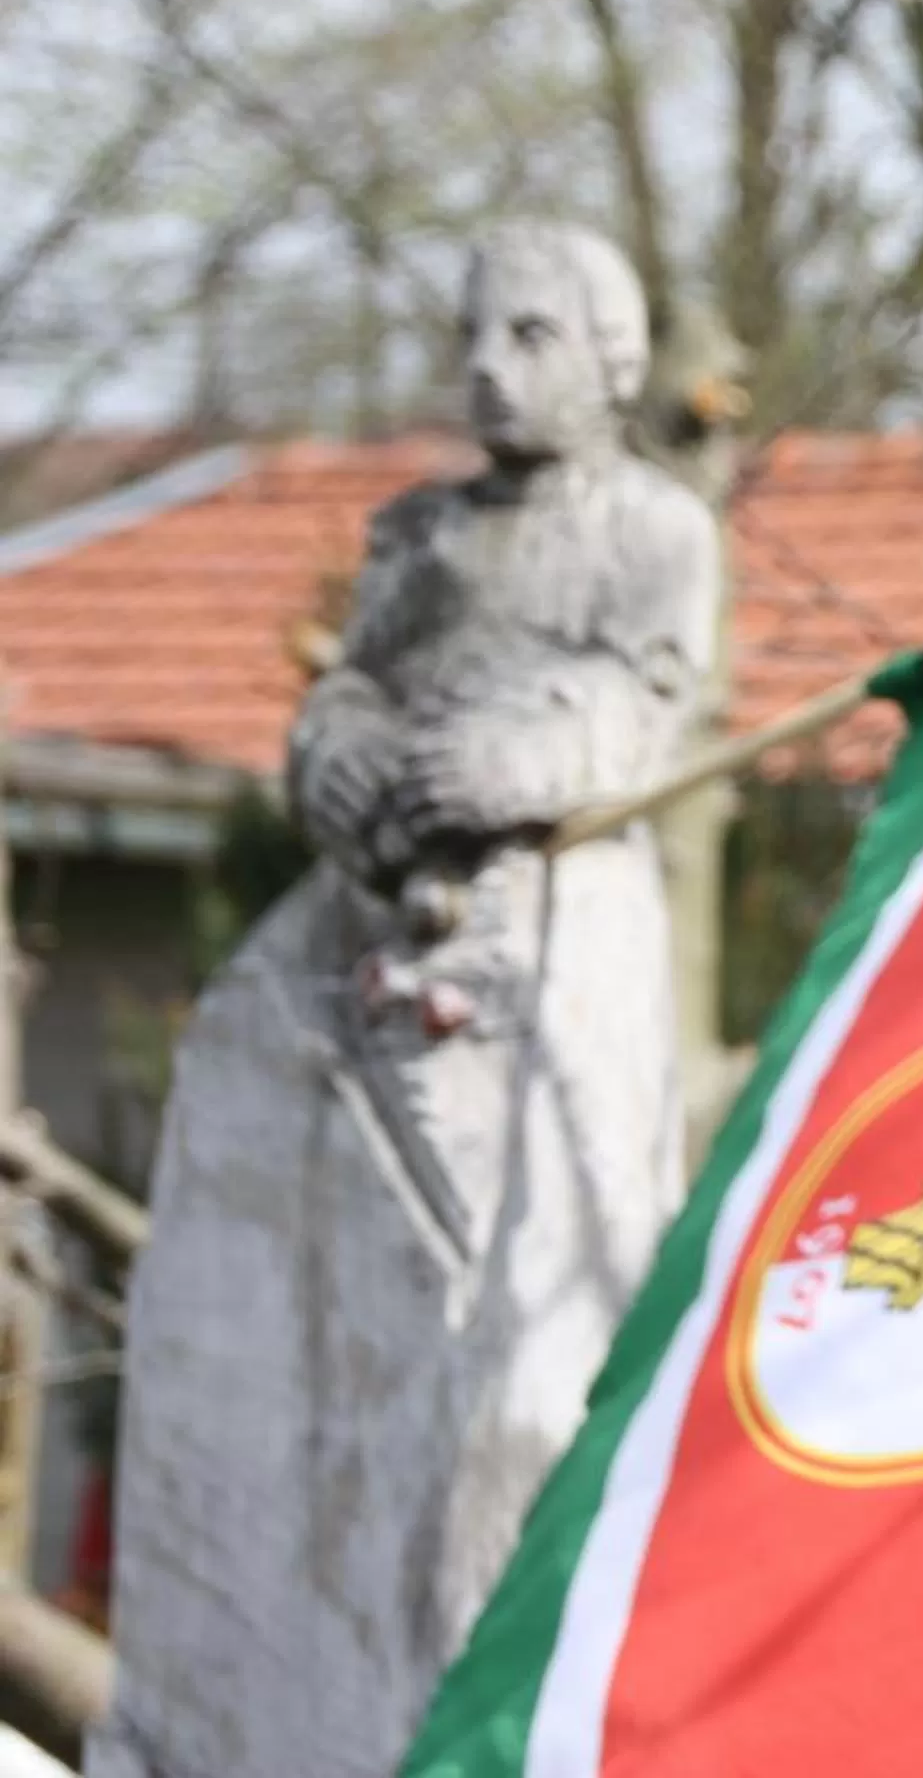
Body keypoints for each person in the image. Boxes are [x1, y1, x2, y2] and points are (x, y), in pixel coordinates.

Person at [94, 224, 718, 1778]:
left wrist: (540, 752)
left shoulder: (652, 526)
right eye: (475, 337)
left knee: (525, 1361)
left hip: (551, 913)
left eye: (531, 337)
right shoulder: (421, 535)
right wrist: (342, 748)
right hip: (367, 923)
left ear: (614, 357)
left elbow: (648, 694)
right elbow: (354, 685)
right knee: (261, 1142)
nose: (490, 370)